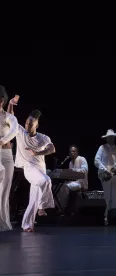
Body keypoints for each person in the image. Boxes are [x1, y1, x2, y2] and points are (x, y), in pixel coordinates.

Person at [7, 97, 55, 232]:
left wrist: (38, 152)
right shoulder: (21, 132)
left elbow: (52, 148)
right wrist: (10, 104)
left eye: (31, 124)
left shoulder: (43, 138)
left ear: (37, 126)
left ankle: (27, 225)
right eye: (27, 123)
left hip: (40, 169)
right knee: (46, 181)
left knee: (33, 198)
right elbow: (11, 118)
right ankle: (43, 206)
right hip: (29, 168)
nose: (28, 125)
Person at [94, 129, 116, 225]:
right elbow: (96, 161)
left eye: (112, 137)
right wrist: (105, 169)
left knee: (115, 196)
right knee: (107, 196)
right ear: (107, 138)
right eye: (110, 137)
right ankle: (106, 217)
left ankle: (115, 217)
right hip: (106, 174)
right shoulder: (102, 147)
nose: (111, 139)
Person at [0, 87, 18, 231]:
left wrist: (2, 140)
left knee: (5, 191)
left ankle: (3, 224)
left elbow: (14, 129)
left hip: (6, 156)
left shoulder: (7, 117)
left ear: (1, 101)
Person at [58, 145, 88, 215]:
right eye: (70, 151)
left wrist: (73, 170)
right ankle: (58, 206)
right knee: (60, 186)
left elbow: (85, 170)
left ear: (77, 152)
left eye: (74, 151)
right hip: (73, 182)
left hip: (81, 183)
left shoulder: (82, 159)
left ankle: (62, 208)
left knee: (65, 187)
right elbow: (71, 175)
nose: (72, 153)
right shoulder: (70, 162)